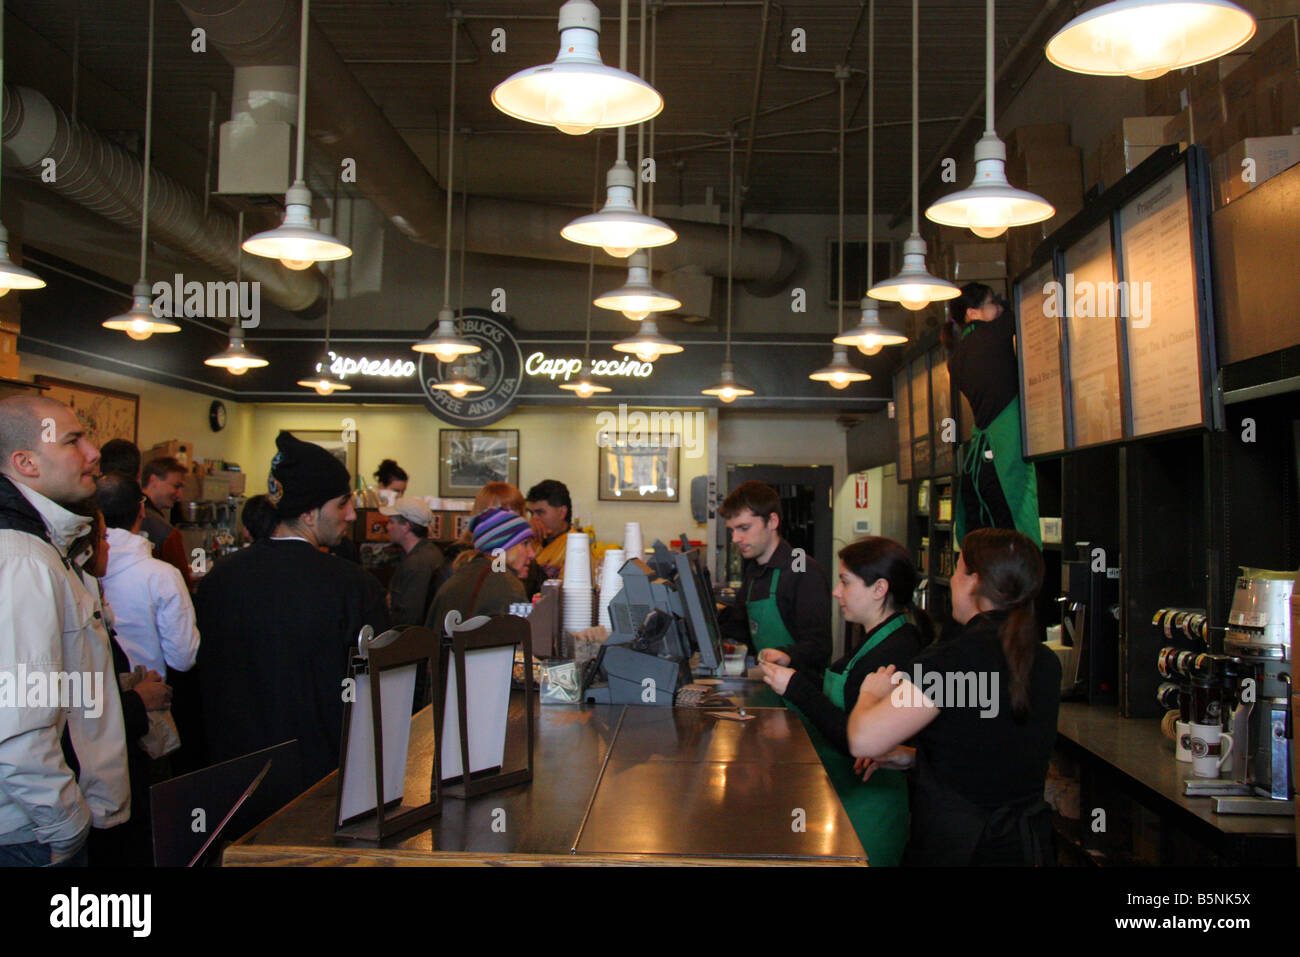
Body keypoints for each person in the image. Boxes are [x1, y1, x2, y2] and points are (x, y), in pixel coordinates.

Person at [847, 528, 1061, 866]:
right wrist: (911, 759)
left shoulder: (952, 661)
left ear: (974, 581)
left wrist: (870, 694)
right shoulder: (1046, 662)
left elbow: (863, 740)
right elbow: (990, 752)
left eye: (957, 570)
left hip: (961, 848)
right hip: (1023, 849)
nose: (953, 580)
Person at [195, 431, 389, 792]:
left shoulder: (221, 577)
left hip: (235, 783)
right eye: (341, 504)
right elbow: (379, 692)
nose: (350, 514)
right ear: (309, 513)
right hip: (324, 784)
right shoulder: (351, 585)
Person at [0, 396, 130, 867]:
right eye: (74, 440)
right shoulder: (21, 558)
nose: (93, 452)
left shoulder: (43, 548)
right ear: (25, 463)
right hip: (27, 834)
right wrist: (65, 827)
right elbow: (19, 724)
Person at [758, 537, 932, 866]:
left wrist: (795, 686)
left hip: (872, 810)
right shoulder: (875, 638)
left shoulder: (897, 651)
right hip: (848, 799)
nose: (837, 592)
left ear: (879, 589)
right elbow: (844, 692)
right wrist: (793, 669)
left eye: (845, 582)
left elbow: (851, 736)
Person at [75, 505, 172, 867]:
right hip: (98, 793)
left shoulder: (89, 589)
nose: (109, 547)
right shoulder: (68, 594)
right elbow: (76, 708)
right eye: (102, 539)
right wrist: (136, 700)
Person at [944, 282, 1040, 547]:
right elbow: (1017, 308)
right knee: (1019, 529)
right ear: (972, 313)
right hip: (1007, 450)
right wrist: (1006, 302)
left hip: (980, 458)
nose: (997, 306)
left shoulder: (955, 359)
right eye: (991, 301)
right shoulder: (995, 333)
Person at [718, 480, 832, 671]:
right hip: (769, 682)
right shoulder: (754, 569)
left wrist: (787, 656)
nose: (735, 539)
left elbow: (818, 647)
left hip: (800, 691)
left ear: (772, 522)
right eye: (732, 530)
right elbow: (740, 628)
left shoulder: (803, 569)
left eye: (744, 528)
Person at [95, 473, 200, 679]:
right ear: (142, 510)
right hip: (146, 691)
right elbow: (182, 657)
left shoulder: (77, 568)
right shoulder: (162, 575)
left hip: (95, 691)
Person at [425, 507, 536, 637]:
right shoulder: (506, 584)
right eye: (525, 543)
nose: (532, 554)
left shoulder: (463, 575)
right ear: (503, 548)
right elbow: (519, 648)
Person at [380, 496, 445, 627]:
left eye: (391, 522)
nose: (387, 527)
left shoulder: (418, 563)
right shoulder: (425, 553)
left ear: (406, 527)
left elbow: (409, 619)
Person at [139, 456, 194, 588]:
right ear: (154, 480)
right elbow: (182, 583)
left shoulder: (131, 512)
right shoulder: (166, 533)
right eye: (176, 486)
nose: (180, 495)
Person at [524, 479, 581, 581]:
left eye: (540, 512)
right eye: (531, 513)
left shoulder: (577, 546)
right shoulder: (527, 540)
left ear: (562, 512)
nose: (533, 519)